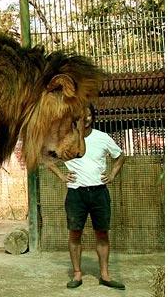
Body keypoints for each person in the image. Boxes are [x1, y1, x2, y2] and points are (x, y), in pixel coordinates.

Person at [46, 104, 126, 290]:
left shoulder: (102, 137)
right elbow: (48, 158)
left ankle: (104, 275)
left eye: (88, 115)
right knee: (75, 233)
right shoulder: (66, 139)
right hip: (76, 193)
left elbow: (120, 156)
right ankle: (77, 274)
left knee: (102, 233)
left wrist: (112, 174)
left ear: (93, 117)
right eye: (81, 116)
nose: (85, 119)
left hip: (99, 192)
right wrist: (61, 175)